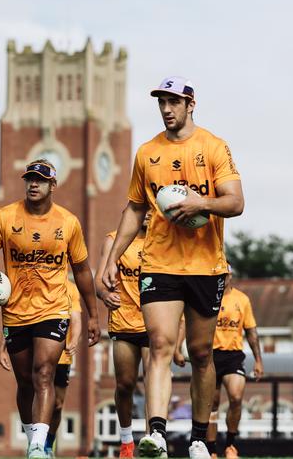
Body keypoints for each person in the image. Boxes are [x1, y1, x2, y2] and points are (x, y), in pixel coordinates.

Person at [102, 76, 244, 459]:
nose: (167, 109)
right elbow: (134, 209)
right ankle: (158, 435)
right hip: (160, 263)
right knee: (161, 345)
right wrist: (113, 259)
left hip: (204, 266)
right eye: (161, 102)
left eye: (174, 102)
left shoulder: (214, 147)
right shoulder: (147, 153)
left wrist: (202, 204)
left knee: (200, 354)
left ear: (190, 104)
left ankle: (199, 438)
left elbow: (236, 202)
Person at [0, 159, 101, 459]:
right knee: (25, 381)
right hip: (15, 313)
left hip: (53, 309)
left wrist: (93, 315)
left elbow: (82, 272)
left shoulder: (68, 223)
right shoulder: (4, 218)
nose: (33, 184)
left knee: (43, 374)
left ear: (53, 185)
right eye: (29, 179)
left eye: (40, 180)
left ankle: (39, 446)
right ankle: (32, 439)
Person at [0, 280, 82, 457]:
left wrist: (74, 339)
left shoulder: (70, 288)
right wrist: (3, 343)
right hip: (38, 349)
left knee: (58, 405)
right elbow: (17, 317)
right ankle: (36, 443)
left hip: (62, 353)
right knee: (33, 386)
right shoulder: (31, 281)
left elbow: (75, 317)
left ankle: (48, 444)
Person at [94, 213, 151, 458]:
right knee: (125, 385)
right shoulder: (113, 240)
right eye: (144, 208)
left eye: (153, 208)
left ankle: (154, 439)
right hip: (123, 322)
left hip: (154, 322)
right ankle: (127, 442)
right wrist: (105, 296)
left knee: (154, 383)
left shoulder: (165, 241)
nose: (149, 213)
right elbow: (99, 281)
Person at [205, 268, 263, 459]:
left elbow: (251, 332)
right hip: (211, 356)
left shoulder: (242, 299)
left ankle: (230, 445)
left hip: (233, 356)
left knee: (236, 397)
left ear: (230, 276)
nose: (223, 277)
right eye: (219, 274)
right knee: (211, 404)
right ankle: (211, 449)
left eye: (226, 274)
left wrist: (258, 361)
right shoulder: (206, 296)